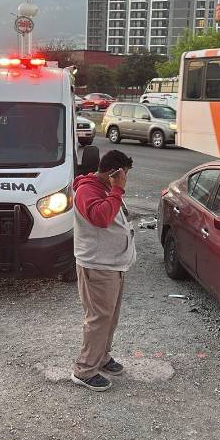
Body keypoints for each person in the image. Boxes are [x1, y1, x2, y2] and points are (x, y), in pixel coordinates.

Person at [70, 150, 136, 392]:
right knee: (98, 320)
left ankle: (102, 356)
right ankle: (84, 370)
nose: (126, 179)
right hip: (97, 267)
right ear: (114, 173)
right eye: (124, 174)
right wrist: (118, 189)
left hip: (113, 265)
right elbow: (101, 218)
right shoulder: (88, 190)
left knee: (110, 318)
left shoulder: (106, 188)